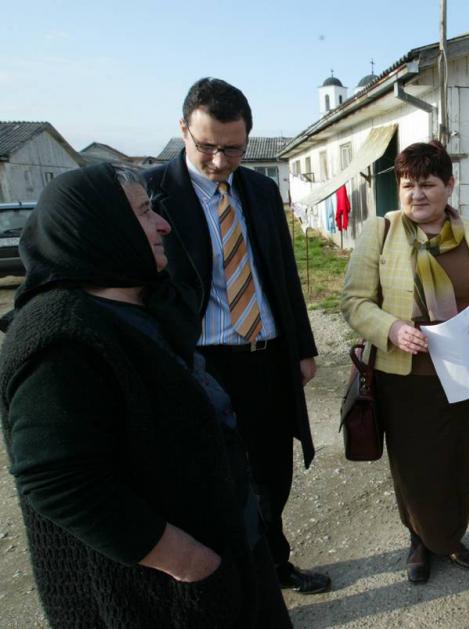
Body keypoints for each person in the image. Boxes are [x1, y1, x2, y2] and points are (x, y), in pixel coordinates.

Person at [0, 164, 291, 627]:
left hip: (230, 546)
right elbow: (59, 482)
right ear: (99, 226)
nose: (163, 225)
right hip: (165, 591)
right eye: (143, 212)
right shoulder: (61, 337)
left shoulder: (144, 301)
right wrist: (190, 562)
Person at [145, 78, 328, 594]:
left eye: (234, 149)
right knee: (213, 477)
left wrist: (303, 349)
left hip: (265, 357)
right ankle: (227, 582)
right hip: (200, 363)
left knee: (273, 474)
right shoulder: (152, 194)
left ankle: (274, 565)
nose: (220, 161)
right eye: (208, 146)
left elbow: (284, 275)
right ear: (183, 130)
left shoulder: (260, 191)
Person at [341, 141, 469, 584]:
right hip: (404, 376)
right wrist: (392, 329)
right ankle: (419, 539)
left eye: (427, 184)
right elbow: (355, 301)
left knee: (457, 460)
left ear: (449, 186)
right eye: (407, 185)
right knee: (413, 467)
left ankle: (449, 537)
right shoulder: (381, 231)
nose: (416, 194)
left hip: (463, 371)